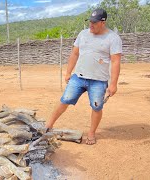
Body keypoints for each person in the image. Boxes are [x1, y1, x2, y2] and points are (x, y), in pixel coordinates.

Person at [45, 8, 122, 145]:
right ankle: (48, 126)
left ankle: (91, 133)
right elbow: (74, 54)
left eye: (94, 22)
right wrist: (68, 72)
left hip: (99, 80)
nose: (91, 25)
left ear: (103, 23)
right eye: (90, 22)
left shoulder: (113, 38)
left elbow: (116, 61)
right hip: (78, 77)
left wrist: (113, 84)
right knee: (65, 100)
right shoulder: (83, 34)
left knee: (96, 106)